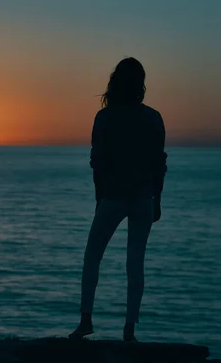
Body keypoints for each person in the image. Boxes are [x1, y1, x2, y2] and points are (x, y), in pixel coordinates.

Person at [69, 57, 167, 342]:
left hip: (112, 196)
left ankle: (85, 320)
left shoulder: (105, 117)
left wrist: (99, 197)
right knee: (135, 262)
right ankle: (129, 330)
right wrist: (157, 199)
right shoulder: (153, 117)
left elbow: (97, 161)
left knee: (93, 257)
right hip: (143, 198)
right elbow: (158, 163)